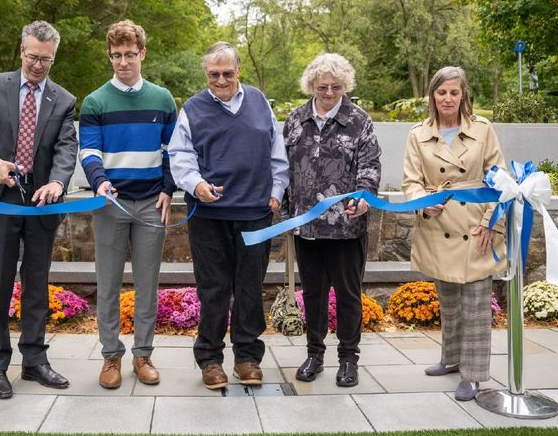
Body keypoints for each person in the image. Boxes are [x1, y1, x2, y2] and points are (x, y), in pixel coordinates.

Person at [0, 20, 77, 399]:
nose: (38, 65)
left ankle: (34, 362)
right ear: (21, 50)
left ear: (53, 57)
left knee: (37, 285)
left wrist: (58, 182)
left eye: (46, 59)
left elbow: (66, 148)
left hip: (42, 204)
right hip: (0, 199)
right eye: (32, 57)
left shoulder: (64, 99)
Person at [168, 41, 289, 390]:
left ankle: (248, 357)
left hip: (254, 213)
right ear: (206, 73)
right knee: (214, 289)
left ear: (238, 71)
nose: (220, 80)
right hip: (208, 215)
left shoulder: (259, 102)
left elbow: (275, 151)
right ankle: (210, 359)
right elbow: (180, 156)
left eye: (227, 73)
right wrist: (195, 184)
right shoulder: (192, 108)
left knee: (250, 288)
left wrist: (276, 191)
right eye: (213, 74)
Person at [78, 20, 177, 389]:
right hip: (110, 205)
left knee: (147, 284)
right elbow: (89, 150)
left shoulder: (162, 99)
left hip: (153, 204)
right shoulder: (95, 101)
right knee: (107, 284)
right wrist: (100, 181)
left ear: (142, 54)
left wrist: (168, 188)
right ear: (110, 56)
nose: (123, 62)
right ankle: (110, 357)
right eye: (116, 55)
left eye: (130, 54)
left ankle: (143, 354)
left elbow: (173, 150)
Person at [402, 65, 506, 402]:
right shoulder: (417, 134)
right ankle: (451, 358)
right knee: (448, 298)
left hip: (477, 225)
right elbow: (412, 181)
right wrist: (423, 205)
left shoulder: (483, 130)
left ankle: (474, 376)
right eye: (442, 92)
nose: (448, 98)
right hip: (439, 224)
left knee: (476, 303)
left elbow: (500, 180)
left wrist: (493, 223)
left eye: (454, 92)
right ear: (432, 95)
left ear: (464, 96)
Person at [284, 53, 381, 388]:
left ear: (345, 86)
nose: (328, 92)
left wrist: (363, 199)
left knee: (348, 295)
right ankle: (314, 354)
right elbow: (284, 169)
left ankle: (348, 358)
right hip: (307, 228)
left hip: (346, 228)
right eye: (322, 86)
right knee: (313, 294)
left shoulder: (359, 121)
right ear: (311, 84)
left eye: (335, 86)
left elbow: (370, 168)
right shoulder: (295, 120)